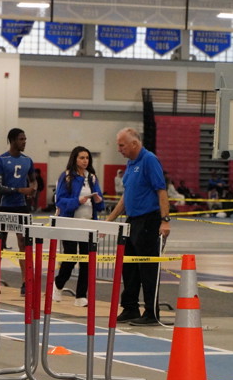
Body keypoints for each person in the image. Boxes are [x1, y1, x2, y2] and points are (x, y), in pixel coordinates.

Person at [105, 127, 170, 326]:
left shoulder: (149, 160)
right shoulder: (131, 163)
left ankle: (151, 313)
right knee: (129, 267)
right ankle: (130, 308)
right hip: (132, 221)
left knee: (148, 268)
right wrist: (109, 220)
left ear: (134, 144)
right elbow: (126, 197)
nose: (119, 149)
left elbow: (161, 191)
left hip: (149, 221)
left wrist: (165, 220)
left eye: (121, 145)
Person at [52, 146, 104, 307]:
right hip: (70, 223)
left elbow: (100, 203)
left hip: (88, 224)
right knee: (70, 258)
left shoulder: (92, 178)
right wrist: (77, 201)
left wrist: (98, 201)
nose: (85, 161)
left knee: (86, 261)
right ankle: (58, 284)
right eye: (82, 158)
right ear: (75, 159)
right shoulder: (67, 177)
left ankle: (81, 295)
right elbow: (60, 201)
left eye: (87, 158)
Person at [0, 128, 37, 294]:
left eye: (25, 139)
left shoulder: (28, 160)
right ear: (12, 140)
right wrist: (19, 190)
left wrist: (33, 189)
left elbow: (33, 181)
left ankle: (25, 282)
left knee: (23, 243)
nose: (24, 142)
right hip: (4, 206)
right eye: (21, 139)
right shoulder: (1, 160)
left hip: (21, 206)